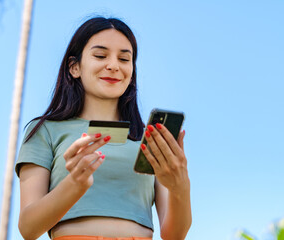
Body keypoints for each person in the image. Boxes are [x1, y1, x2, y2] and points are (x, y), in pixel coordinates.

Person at [15, 17, 192, 240]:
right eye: (100, 55)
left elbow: (174, 236)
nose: (114, 65)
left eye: (124, 59)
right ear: (74, 67)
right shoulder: (45, 130)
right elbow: (28, 228)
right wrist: (75, 183)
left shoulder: (148, 138)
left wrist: (181, 186)